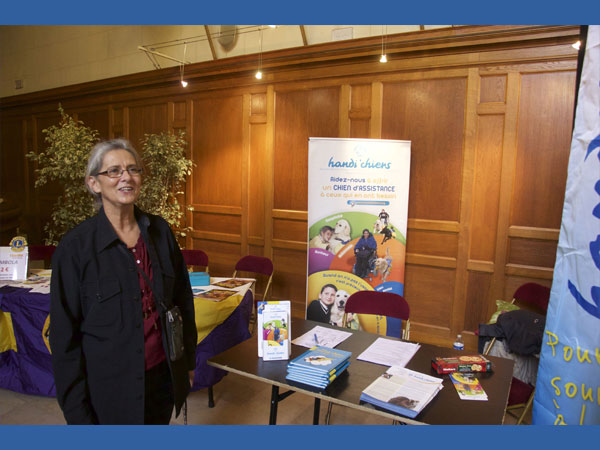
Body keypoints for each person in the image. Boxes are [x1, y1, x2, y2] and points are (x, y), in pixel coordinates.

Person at [49, 139, 197, 425]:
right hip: (107, 388)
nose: (126, 177)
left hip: (160, 378)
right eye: (114, 171)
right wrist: (76, 412)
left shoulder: (160, 232)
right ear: (94, 183)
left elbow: (182, 302)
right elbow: (64, 338)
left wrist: (186, 364)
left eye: (132, 169)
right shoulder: (75, 248)